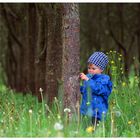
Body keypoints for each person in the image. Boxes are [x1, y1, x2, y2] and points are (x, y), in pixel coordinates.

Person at [80, 52, 113, 130]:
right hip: (86, 110)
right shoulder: (88, 78)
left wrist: (88, 80)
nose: (90, 70)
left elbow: (98, 89)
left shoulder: (104, 79)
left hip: (97, 113)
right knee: (85, 130)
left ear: (101, 69)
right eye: (89, 68)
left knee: (94, 130)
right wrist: (78, 88)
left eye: (93, 68)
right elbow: (85, 90)